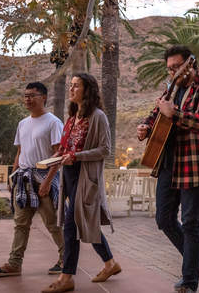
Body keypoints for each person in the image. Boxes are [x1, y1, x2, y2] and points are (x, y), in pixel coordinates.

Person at [137, 45, 199, 293]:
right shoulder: (170, 90)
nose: (173, 72)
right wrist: (144, 126)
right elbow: (155, 115)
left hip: (194, 165)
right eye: (170, 69)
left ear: (190, 64)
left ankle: (189, 282)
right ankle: (197, 262)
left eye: (177, 67)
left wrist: (174, 114)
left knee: (190, 223)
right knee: (164, 220)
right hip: (168, 164)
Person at [42, 73, 120, 293]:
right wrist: (56, 159)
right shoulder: (72, 117)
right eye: (71, 85)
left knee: (71, 225)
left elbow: (105, 150)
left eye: (76, 86)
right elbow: (66, 149)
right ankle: (110, 264)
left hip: (86, 176)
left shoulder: (98, 117)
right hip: (69, 175)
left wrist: (77, 157)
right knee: (85, 222)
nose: (71, 89)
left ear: (87, 90)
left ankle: (66, 277)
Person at [0, 82, 65, 277]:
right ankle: (14, 264)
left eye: (32, 95)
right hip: (23, 180)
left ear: (44, 97)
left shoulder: (53, 122)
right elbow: (20, 152)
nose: (28, 99)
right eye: (25, 96)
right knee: (21, 223)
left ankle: (66, 259)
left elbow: (59, 155)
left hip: (44, 178)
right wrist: (12, 178)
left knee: (52, 224)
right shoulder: (22, 123)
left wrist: (47, 182)